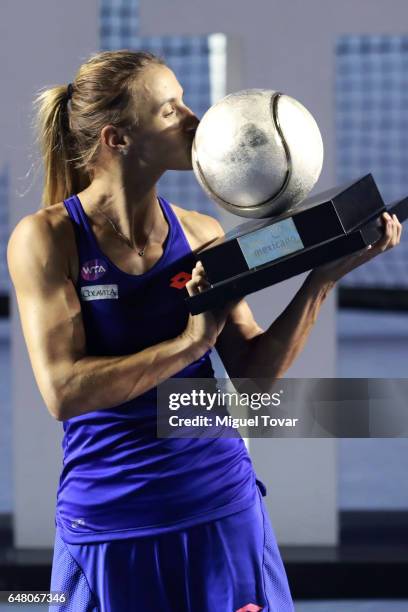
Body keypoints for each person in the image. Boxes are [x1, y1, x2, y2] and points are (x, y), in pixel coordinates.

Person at [7, 49, 401, 612]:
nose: (196, 120)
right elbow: (64, 392)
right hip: (110, 525)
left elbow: (252, 378)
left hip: (222, 507)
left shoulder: (201, 234)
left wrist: (323, 278)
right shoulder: (47, 239)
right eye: (171, 111)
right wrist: (188, 346)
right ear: (118, 139)